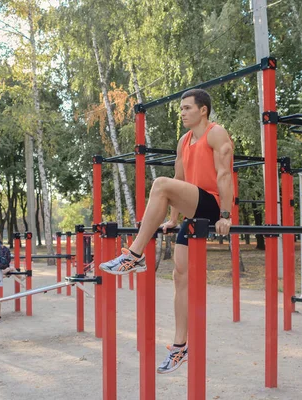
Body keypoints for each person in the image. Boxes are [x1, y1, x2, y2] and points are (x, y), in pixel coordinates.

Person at [99, 88, 234, 374]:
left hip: (210, 205)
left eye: (187, 108)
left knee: (159, 184)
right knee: (180, 277)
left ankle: (134, 255)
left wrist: (226, 214)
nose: (183, 113)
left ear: (203, 110)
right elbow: (180, 181)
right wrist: (173, 219)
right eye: (181, 109)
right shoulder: (184, 141)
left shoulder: (215, 133)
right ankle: (179, 346)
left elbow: (224, 173)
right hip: (193, 210)